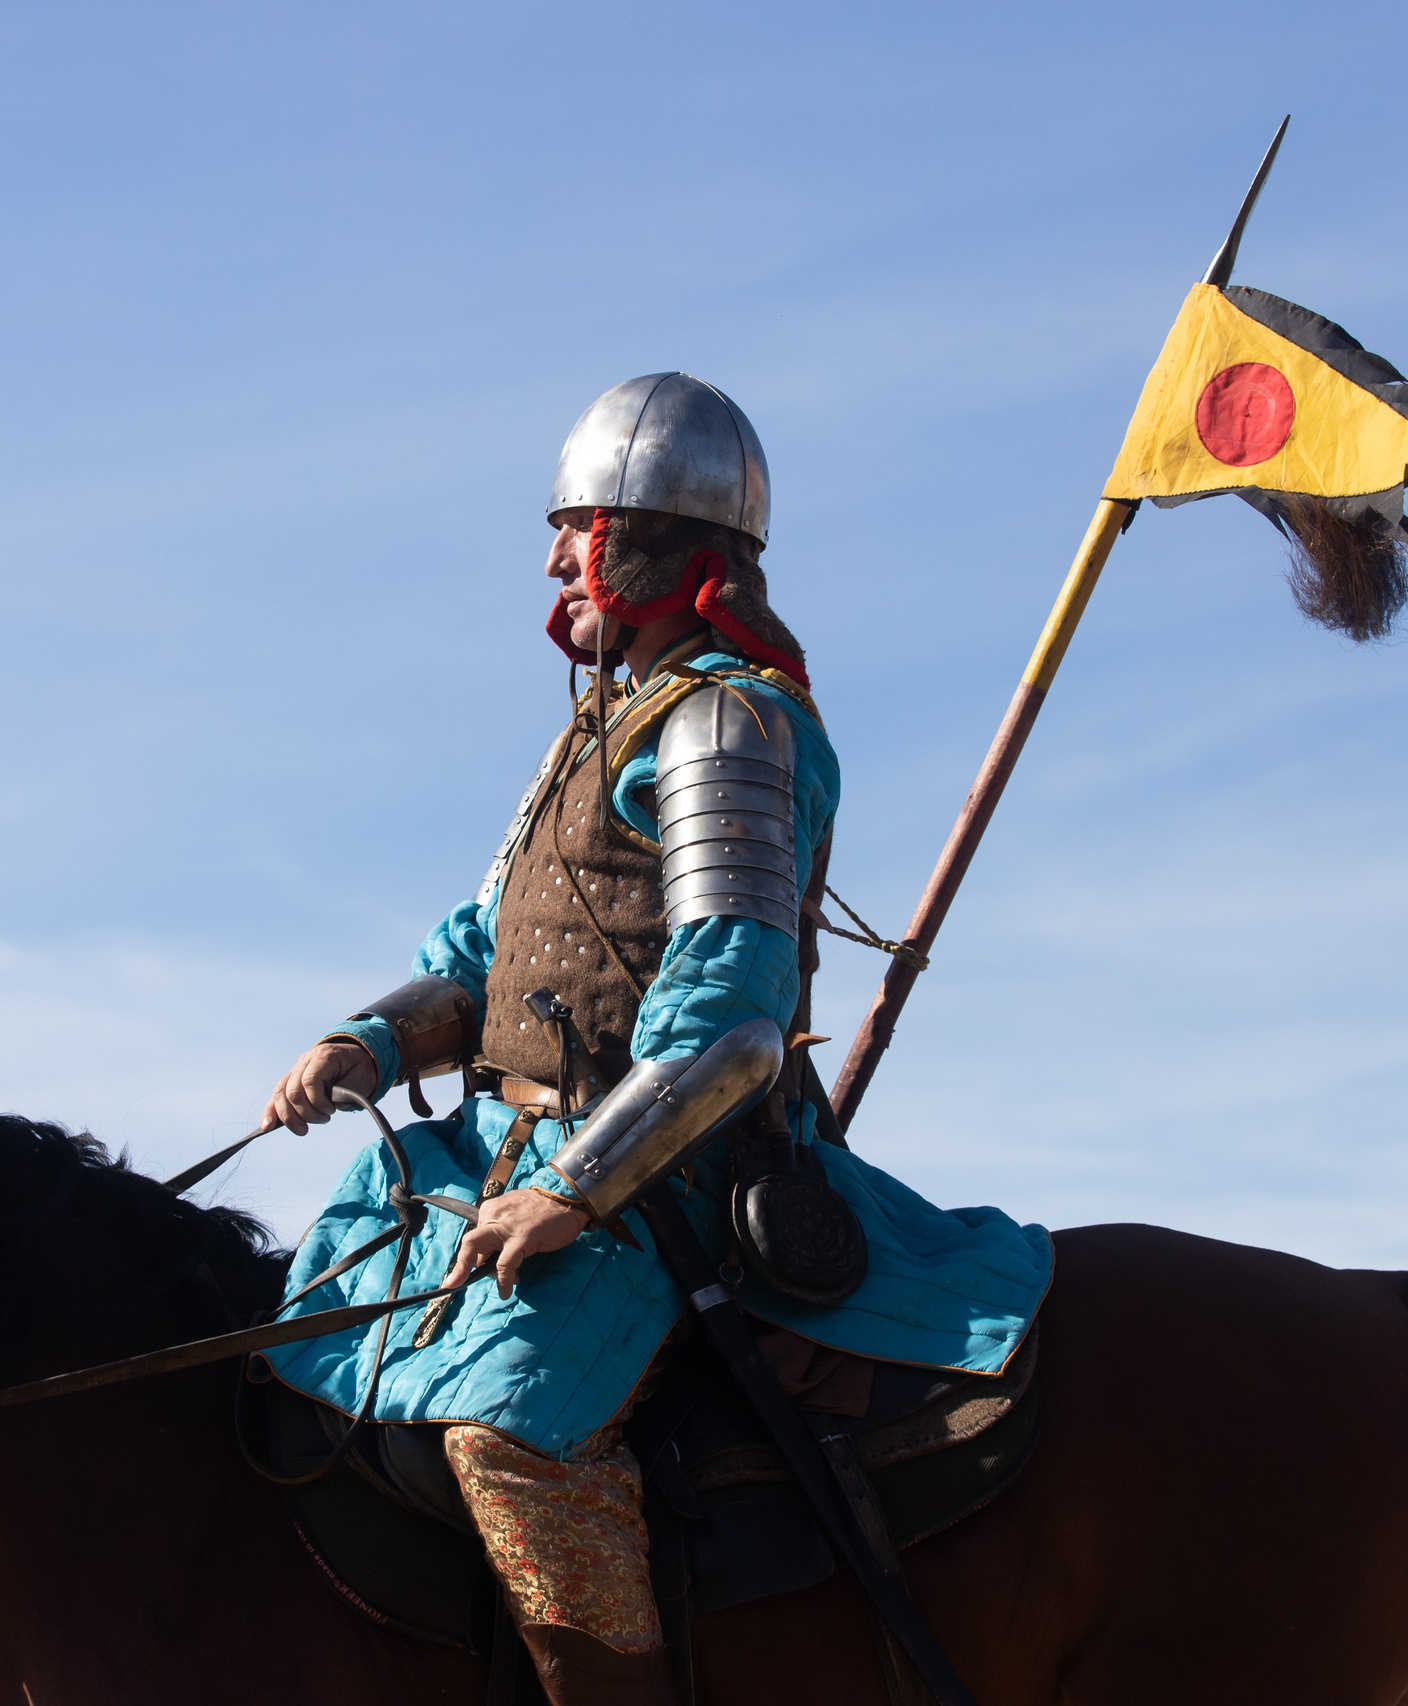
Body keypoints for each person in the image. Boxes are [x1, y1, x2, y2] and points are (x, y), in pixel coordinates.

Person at [258, 374, 1052, 1706]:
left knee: (512, 1423)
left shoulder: (731, 719)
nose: (557, 555)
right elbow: (486, 952)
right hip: (500, 1140)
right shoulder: (590, 731)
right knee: (312, 1339)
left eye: (586, 523)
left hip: (661, 1171)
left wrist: (575, 1184)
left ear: (673, 550)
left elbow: (734, 1008)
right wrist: (370, 1043)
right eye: (559, 524)